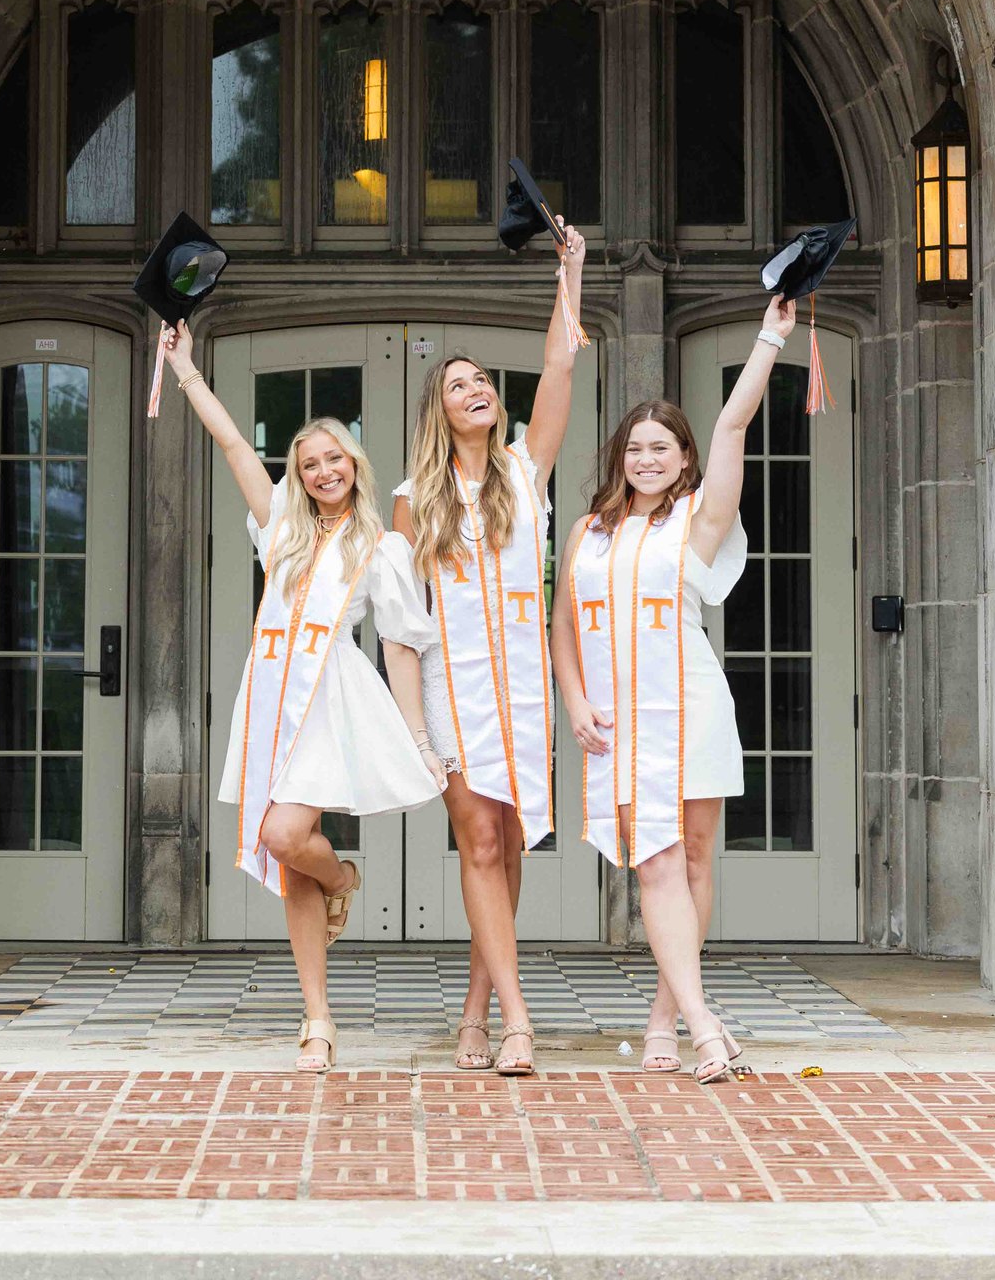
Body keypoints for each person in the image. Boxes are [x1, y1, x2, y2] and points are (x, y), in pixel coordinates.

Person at [162, 319, 445, 1074]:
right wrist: (187, 372)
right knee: (284, 857)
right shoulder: (279, 527)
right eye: (309, 462)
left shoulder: (382, 549)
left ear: (354, 463)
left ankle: (341, 876)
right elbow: (230, 446)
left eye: (334, 459)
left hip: (328, 698)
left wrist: (419, 739)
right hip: (269, 693)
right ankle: (316, 1017)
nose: (323, 472)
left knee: (287, 838)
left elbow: (400, 644)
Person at [550, 293, 797, 1084]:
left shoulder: (697, 519)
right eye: (635, 449)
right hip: (618, 720)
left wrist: (768, 338)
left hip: (687, 706)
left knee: (689, 858)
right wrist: (574, 699)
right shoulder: (587, 532)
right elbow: (562, 626)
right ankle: (703, 1023)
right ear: (619, 457)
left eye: (662, 449)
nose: (647, 459)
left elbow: (731, 426)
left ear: (683, 461)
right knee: (653, 862)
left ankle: (667, 1015)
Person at [393, 225, 587, 1076]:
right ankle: (516, 1019)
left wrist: (569, 274)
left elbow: (560, 369)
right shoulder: (409, 502)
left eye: (479, 381)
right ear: (438, 410)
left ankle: (473, 1011)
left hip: (523, 688)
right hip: (453, 688)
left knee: (507, 848)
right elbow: (402, 621)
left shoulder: (522, 472)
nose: (473, 390)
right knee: (476, 841)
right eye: (456, 384)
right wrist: (418, 733)